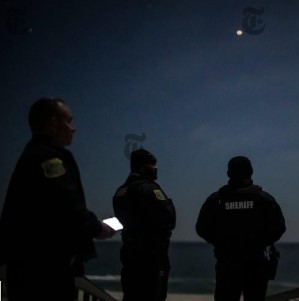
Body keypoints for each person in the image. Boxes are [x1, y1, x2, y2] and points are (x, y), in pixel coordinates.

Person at [0, 97, 115, 301]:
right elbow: (67, 205)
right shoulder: (48, 158)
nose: (74, 128)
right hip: (43, 272)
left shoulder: (32, 154)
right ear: (53, 124)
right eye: (69, 121)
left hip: (29, 269)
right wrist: (98, 228)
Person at [196, 156, 286, 301]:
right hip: (256, 263)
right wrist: (259, 243)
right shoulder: (263, 199)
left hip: (227, 264)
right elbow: (279, 227)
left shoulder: (216, 199)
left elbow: (201, 228)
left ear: (228, 173)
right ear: (251, 171)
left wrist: (222, 243)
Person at [113, 148, 176, 301]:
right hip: (151, 257)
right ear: (142, 166)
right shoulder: (149, 188)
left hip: (130, 254)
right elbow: (169, 218)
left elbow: (122, 219)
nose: (156, 168)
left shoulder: (121, 191)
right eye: (153, 164)